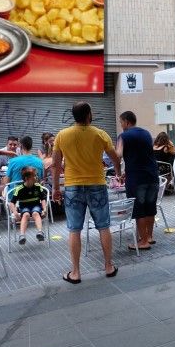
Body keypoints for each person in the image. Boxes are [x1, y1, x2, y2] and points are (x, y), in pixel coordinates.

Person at [52, 102, 121, 283]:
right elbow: (115, 158)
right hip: (97, 184)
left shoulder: (62, 135)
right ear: (89, 114)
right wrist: (118, 173)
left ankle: (75, 273)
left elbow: (56, 165)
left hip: (73, 186)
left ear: (73, 116)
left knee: (74, 229)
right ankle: (108, 266)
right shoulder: (100, 134)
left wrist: (55, 188)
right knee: (104, 226)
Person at [119, 111, 160, 250]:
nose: (121, 125)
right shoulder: (146, 133)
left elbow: (118, 155)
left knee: (139, 209)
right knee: (150, 207)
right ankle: (149, 237)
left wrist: (118, 171)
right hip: (152, 176)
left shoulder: (123, 136)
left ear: (126, 122)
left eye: (121, 122)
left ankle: (143, 241)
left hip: (136, 179)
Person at [9, 168, 47, 245]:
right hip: (24, 207)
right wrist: (15, 212)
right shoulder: (19, 189)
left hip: (36, 205)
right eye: (34, 176)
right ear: (27, 178)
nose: (36, 177)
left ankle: (40, 232)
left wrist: (45, 209)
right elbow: (12, 203)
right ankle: (22, 235)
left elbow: (43, 199)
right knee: (26, 215)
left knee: (36, 213)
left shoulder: (38, 186)